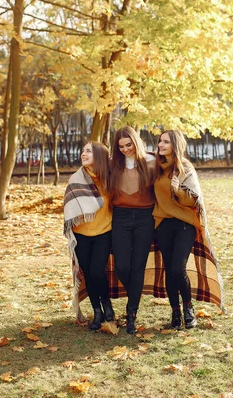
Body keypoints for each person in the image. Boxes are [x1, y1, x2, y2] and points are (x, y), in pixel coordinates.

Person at [153, 129, 222, 329]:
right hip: (163, 223)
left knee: (177, 268)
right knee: (169, 269)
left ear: (176, 144)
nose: (161, 145)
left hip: (184, 224)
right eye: (160, 141)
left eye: (165, 142)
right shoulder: (157, 167)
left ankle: (188, 309)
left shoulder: (185, 168)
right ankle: (175, 312)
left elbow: (194, 199)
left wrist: (178, 191)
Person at [109, 126, 156, 334]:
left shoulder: (151, 162)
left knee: (138, 267)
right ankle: (135, 295)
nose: (125, 149)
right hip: (121, 216)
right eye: (121, 146)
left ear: (136, 142)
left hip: (146, 218)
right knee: (122, 267)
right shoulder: (113, 165)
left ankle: (131, 313)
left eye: (129, 145)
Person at [63, 141, 115, 330]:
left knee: (96, 272)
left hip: (103, 232)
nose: (83, 154)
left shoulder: (110, 179)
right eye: (83, 151)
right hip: (81, 235)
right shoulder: (76, 179)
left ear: (99, 156)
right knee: (88, 274)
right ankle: (97, 311)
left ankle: (107, 304)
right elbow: (69, 206)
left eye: (88, 151)